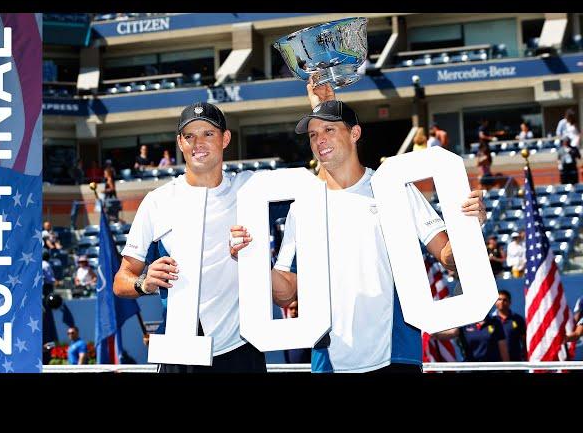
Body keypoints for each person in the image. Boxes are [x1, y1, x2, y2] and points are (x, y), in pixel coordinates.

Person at [231, 77, 487, 373]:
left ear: (355, 133)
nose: (320, 140)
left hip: (396, 354)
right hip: (329, 360)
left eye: (328, 130)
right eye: (313, 135)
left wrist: (468, 228)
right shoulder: (302, 207)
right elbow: (287, 292)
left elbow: (447, 256)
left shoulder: (394, 187)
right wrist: (251, 261)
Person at [113, 102, 267, 373]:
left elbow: (321, 182)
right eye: (189, 136)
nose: (198, 142)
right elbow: (121, 280)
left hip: (241, 347)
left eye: (208, 133)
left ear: (225, 139)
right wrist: (144, 282)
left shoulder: (250, 187)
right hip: (180, 349)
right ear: (180, 143)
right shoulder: (157, 201)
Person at [434, 315, 510, 362]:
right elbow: (451, 333)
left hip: (491, 368)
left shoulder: (495, 322)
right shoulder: (465, 321)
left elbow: (503, 349)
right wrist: (432, 333)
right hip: (471, 368)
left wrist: (508, 370)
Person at [490, 289, 527, 361]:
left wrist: (524, 355)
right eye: (499, 299)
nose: (502, 302)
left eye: (505, 300)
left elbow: (524, 340)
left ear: (510, 302)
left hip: (515, 361)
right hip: (495, 362)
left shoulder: (518, 319)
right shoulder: (491, 320)